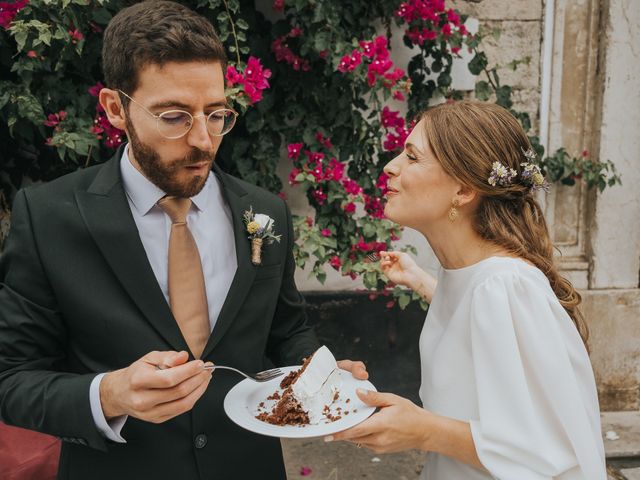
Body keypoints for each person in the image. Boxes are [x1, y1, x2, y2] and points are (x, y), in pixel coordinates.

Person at [0, 2, 367, 479]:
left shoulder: (264, 212)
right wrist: (109, 394)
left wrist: (320, 374)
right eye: (174, 117)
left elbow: (285, 330)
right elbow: (12, 379)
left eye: (216, 114)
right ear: (115, 109)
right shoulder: (49, 216)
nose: (204, 140)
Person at [327, 100, 606, 479]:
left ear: (462, 190)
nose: (389, 166)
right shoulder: (473, 277)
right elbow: (472, 321)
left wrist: (423, 430)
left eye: (411, 156)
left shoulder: (506, 287)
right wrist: (420, 281)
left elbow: (551, 451)